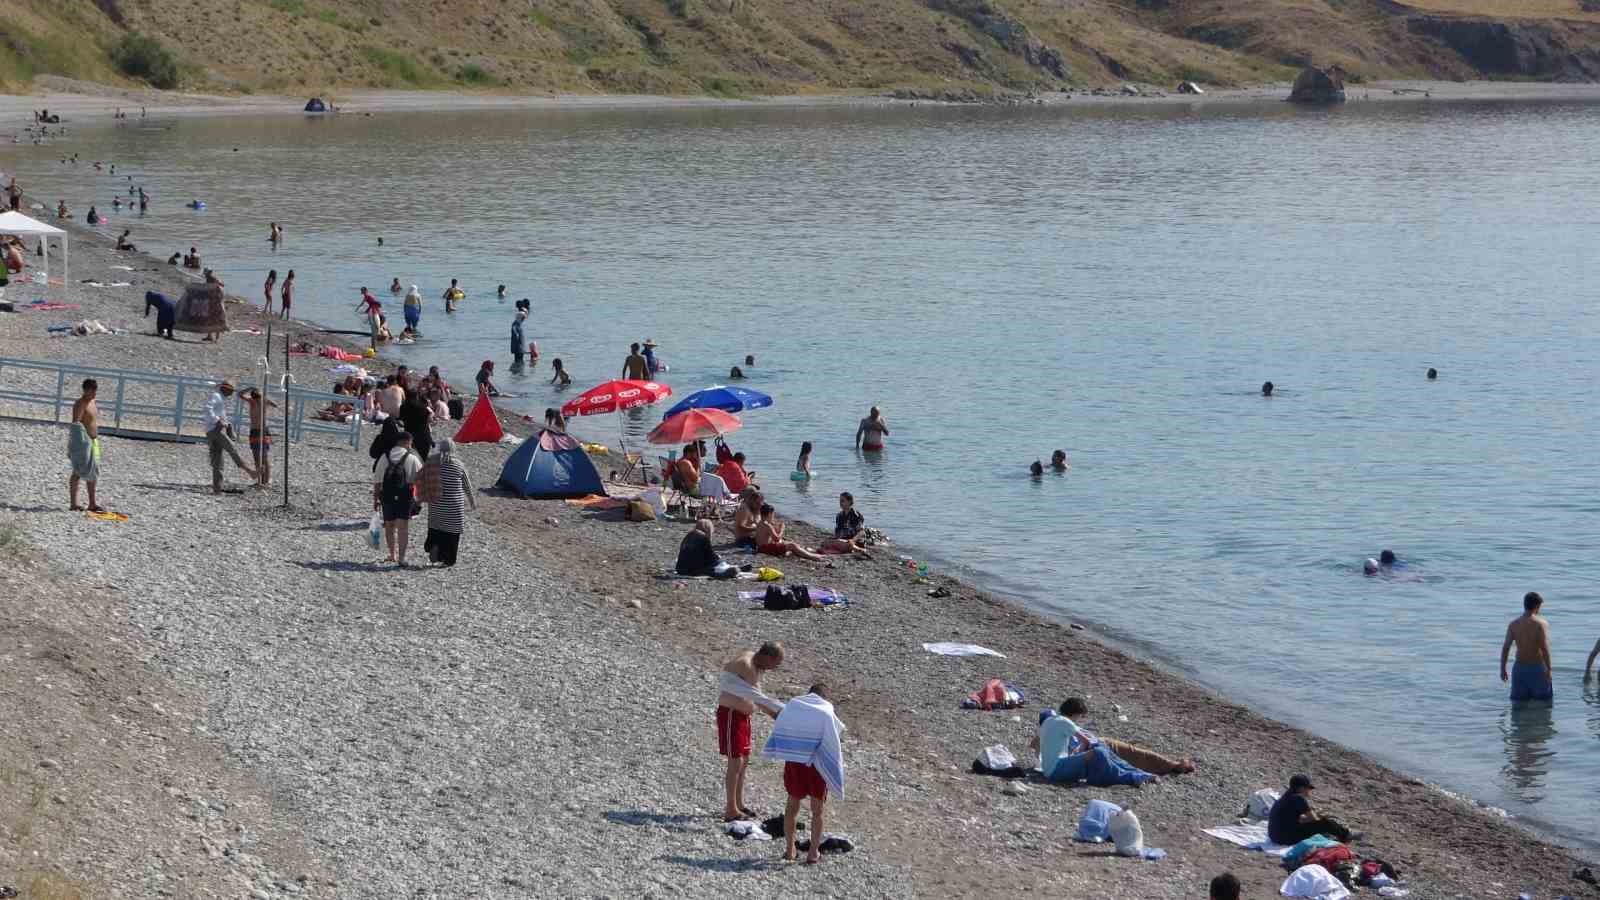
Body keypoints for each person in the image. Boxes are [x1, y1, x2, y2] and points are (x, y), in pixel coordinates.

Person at [766, 683, 843, 865]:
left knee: (792, 806)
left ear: (809, 694)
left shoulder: (794, 706)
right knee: (817, 811)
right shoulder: (826, 711)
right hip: (817, 766)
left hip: (795, 761)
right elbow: (833, 738)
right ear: (825, 697)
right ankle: (813, 852)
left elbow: (782, 725)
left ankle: (790, 849)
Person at [716, 642, 786, 821]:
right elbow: (730, 680)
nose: (774, 668)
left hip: (743, 717)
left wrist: (777, 716)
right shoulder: (745, 664)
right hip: (731, 714)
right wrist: (776, 712)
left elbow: (756, 696)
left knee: (744, 761)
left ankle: (739, 804)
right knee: (736, 761)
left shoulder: (756, 666)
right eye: (775, 664)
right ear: (768, 657)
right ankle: (730, 809)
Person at [1052, 697, 1194, 775]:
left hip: (1086, 749)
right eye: (1080, 716)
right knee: (1133, 754)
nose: (1079, 719)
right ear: (1075, 713)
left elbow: (1036, 744)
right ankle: (1173, 766)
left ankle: (1171, 765)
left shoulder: (1053, 722)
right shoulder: (1065, 724)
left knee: (1133, 754)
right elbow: (1082, 743)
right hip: (1091, 750)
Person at [1033, 706, 1158, 787]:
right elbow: (1086, 742)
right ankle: (1135, 776)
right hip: (1057, 770)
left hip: (1057, 768)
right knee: (1100, 752)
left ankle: (1137, 775)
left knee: (1102, 753)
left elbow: (1038, 753)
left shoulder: (1045, 729)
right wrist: (1078, 752)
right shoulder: (1061, 723)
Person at [421, 438, 475, 567]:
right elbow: (467, 485)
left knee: (435, 528)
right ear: (453, 449)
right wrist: (472, 501)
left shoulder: (431, 461)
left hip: (436, 503)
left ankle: (433, 546)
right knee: (452, 533)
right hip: (454, 505)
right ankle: (448, 560)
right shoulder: (458, 464)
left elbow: (423, 478)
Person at [373, 430, 423, 566]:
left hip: (387, 496)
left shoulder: (385, 456)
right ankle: (401, 558)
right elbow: (420, 479)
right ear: (407, 442)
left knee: (389, 526)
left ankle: (392, 554)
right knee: (403, 527)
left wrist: (375, 500)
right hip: (405, 496)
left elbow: (377, 480)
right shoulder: (412, 458)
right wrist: (419, 500)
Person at [1267, 774, 1354, 845]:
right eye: (1308, 788)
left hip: (1274, 836)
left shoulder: (1286, 797)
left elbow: (1293, 818)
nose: (1309, 791)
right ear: (1301, 788)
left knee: (1319, 823)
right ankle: (1347, 836)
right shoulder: (1298, 798)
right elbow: (1314, 819)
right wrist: (1320, 817)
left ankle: (1342, 834)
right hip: (1285, 839)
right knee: (1326, 823)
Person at [204, 382, 257, 494]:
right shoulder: (216, 396)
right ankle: (250, 471)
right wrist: (217, 421)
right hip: (215, 429)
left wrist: (227, 425)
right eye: (230, 391)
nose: (231, 393)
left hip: (212, 430)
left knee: (218, 461)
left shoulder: (221, 398)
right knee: (232, 449)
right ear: (224, 389)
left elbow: (221, 415)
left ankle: (217, 489)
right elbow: (208, 409)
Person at [1502, 591, 1553, 703]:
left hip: (1519, 669)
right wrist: (1549, 669)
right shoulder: (1541, 624)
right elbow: (1544, 649)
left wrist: (1503, 669)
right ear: (1536, 606)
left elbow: (1506, 648)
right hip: (1538, 668)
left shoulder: (1513, 624)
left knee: (1518, 706)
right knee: (1544, 705)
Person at [67, 379, 102, 512]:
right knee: (78, 471)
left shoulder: (93, 402)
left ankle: (92, 503)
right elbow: (75, 426)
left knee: (93, 471)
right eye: (91, 391)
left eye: (95, 391)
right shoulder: (80, 404)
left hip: (94, 441)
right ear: (85, 390)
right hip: (84, 442)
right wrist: (73, 446)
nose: (94, 393)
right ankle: (73, 503)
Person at [755, 505, 826, 561]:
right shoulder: (767, 525)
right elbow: (776, 538)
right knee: (792, 545)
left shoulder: (760, 523)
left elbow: (769, 536)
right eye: (773, 515)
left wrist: (777, 530)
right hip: (765, 548)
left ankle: (808, 553)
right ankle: (813, 557)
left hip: (761, 547)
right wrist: (782, 529)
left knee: (789, 544)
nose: (773, 517)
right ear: (769, 514)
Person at [241, 387, 278, 487]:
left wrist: (265, 399)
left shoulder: (260, 401)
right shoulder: (253, 401)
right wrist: (250, 389)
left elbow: (275, 405)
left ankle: (267, 479)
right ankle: (261, 480)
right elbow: (239, 394)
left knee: (263, 456)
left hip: (262, 431)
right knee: (257, 457)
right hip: (255, 431)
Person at [399, 390, 434, 460]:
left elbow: (401, 420)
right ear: (417, 397)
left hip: (409, 436)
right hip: (423, 436)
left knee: (410, 459)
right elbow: (430, 419)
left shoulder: (403, 406)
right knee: (422, 460)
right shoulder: (422, 407)